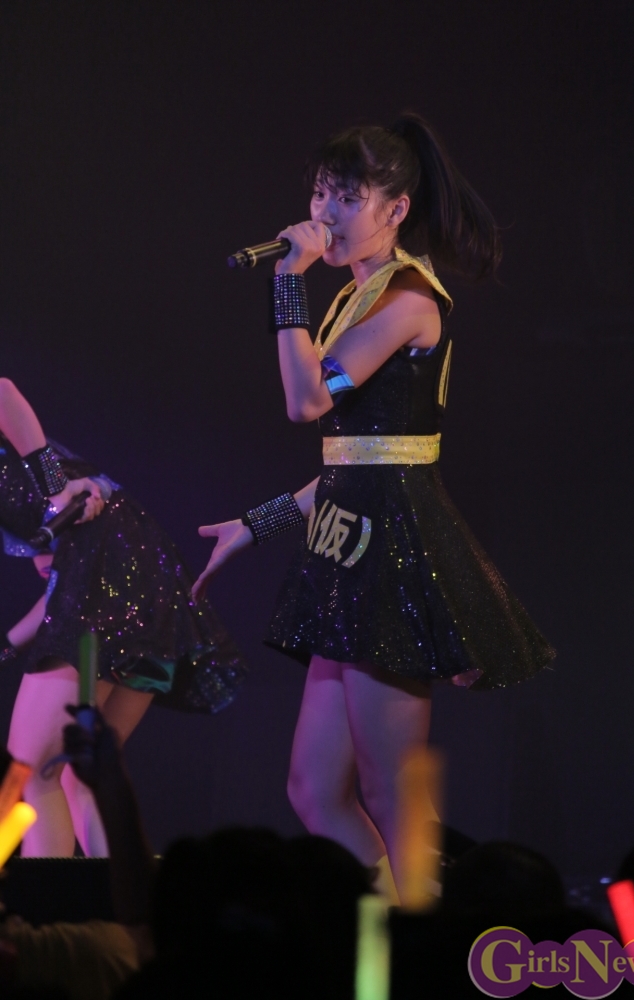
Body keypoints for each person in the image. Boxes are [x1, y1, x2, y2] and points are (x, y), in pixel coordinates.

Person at [193, 113, 555, 902]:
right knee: (313, 790)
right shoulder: (354, 297)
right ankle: (381, 929)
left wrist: (287, 280)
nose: (323, 212)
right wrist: (255, 526)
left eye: (345, 197)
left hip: (391, 552)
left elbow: (306, 404)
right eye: (319, 193)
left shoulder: (409, 300)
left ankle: (421, 939)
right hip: (348, 540)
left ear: (395, 209)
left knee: (393, 792)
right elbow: (354, 461)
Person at [0, 378, 246, 857]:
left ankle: (48, 902)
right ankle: (123, 897)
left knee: (32, 771)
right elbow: (57, 592)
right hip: (149, 585)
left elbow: (4, 392)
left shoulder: (58, 504)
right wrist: (8, 645)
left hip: (113, 574)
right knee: (78, 772)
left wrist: (55, 487)